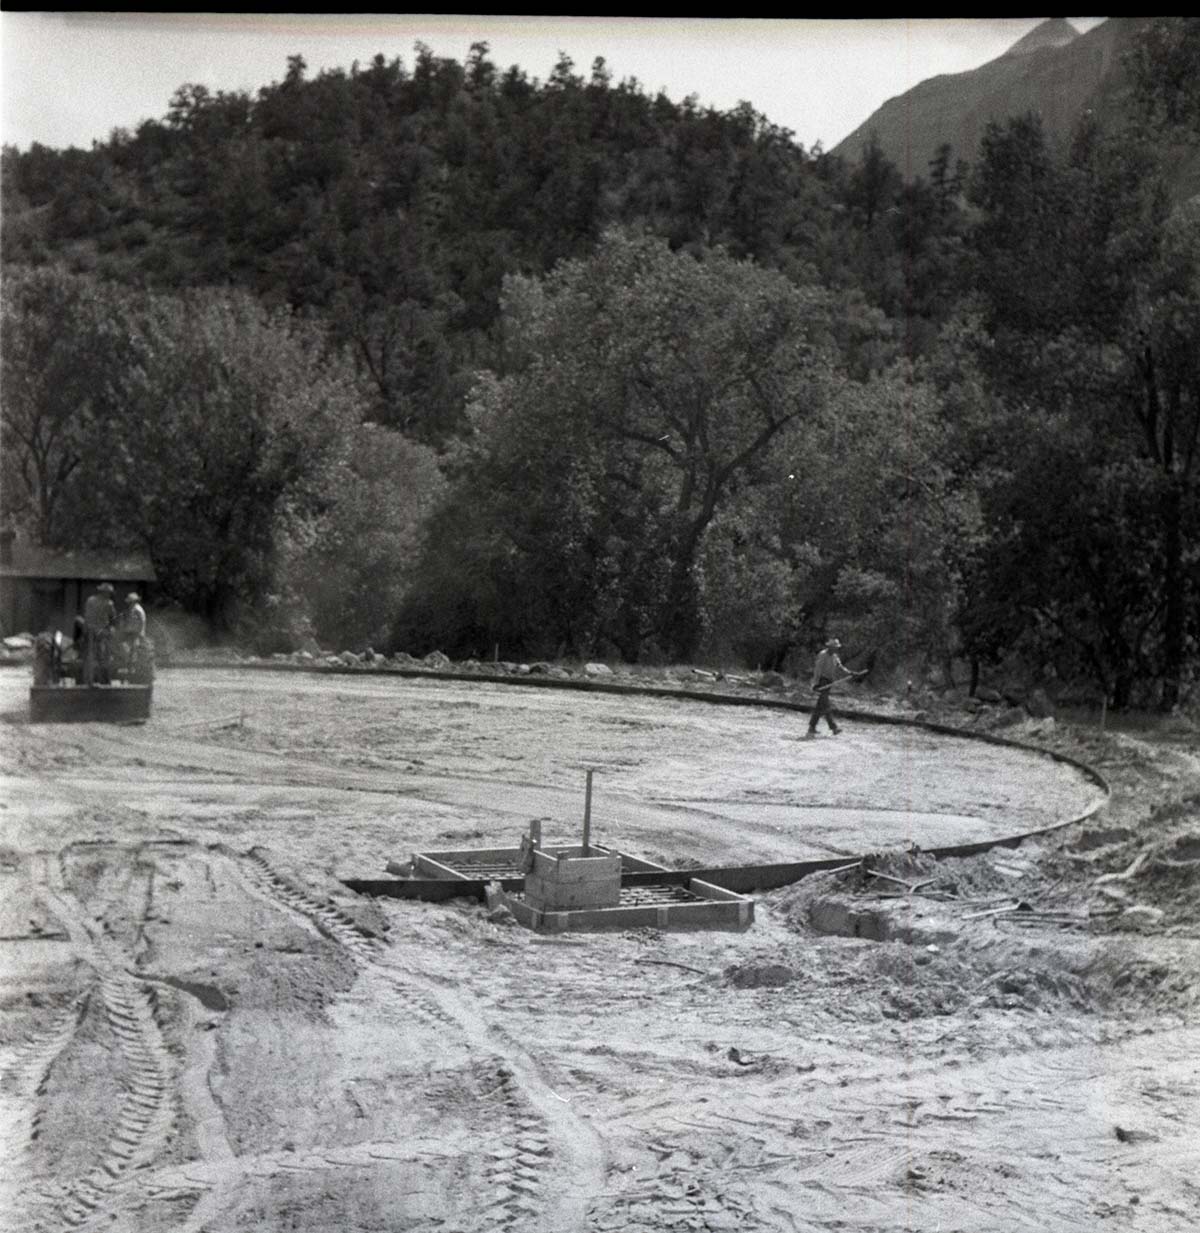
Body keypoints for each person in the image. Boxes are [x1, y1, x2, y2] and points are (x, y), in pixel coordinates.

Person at [805, 637, 865, 737]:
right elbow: (817, 670)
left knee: (820, 705)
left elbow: (840, 666)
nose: (836, 649)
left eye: (837, 647)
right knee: (825, 705)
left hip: (829, 682)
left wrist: (850, 672)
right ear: (829, 647)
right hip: (822, 681)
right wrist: (815, 684)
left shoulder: (835, 656)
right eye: (834, 647)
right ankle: (834, 727)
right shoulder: (823, 655)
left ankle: (812, 727)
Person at [82, 582, 117, 686]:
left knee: (87, 651)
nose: (109, 595)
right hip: (103, 632)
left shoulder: (90, 600)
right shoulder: (109, 603)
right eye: (109, 593)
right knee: (106, 653)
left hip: (90, 631)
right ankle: (106, 678)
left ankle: (87, 676)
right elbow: (113, 618)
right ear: (106, 593)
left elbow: (87, 616)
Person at [120, 591, 147, 673]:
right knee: (126, 648)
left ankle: (132, 667)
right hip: (130, 632)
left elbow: (142, 621)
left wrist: (140, 632)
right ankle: (127, 665)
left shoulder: (138, 610)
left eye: (130, 601)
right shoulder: (131, 609)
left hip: (135, 633)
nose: (129, 603)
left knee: (133, 649)